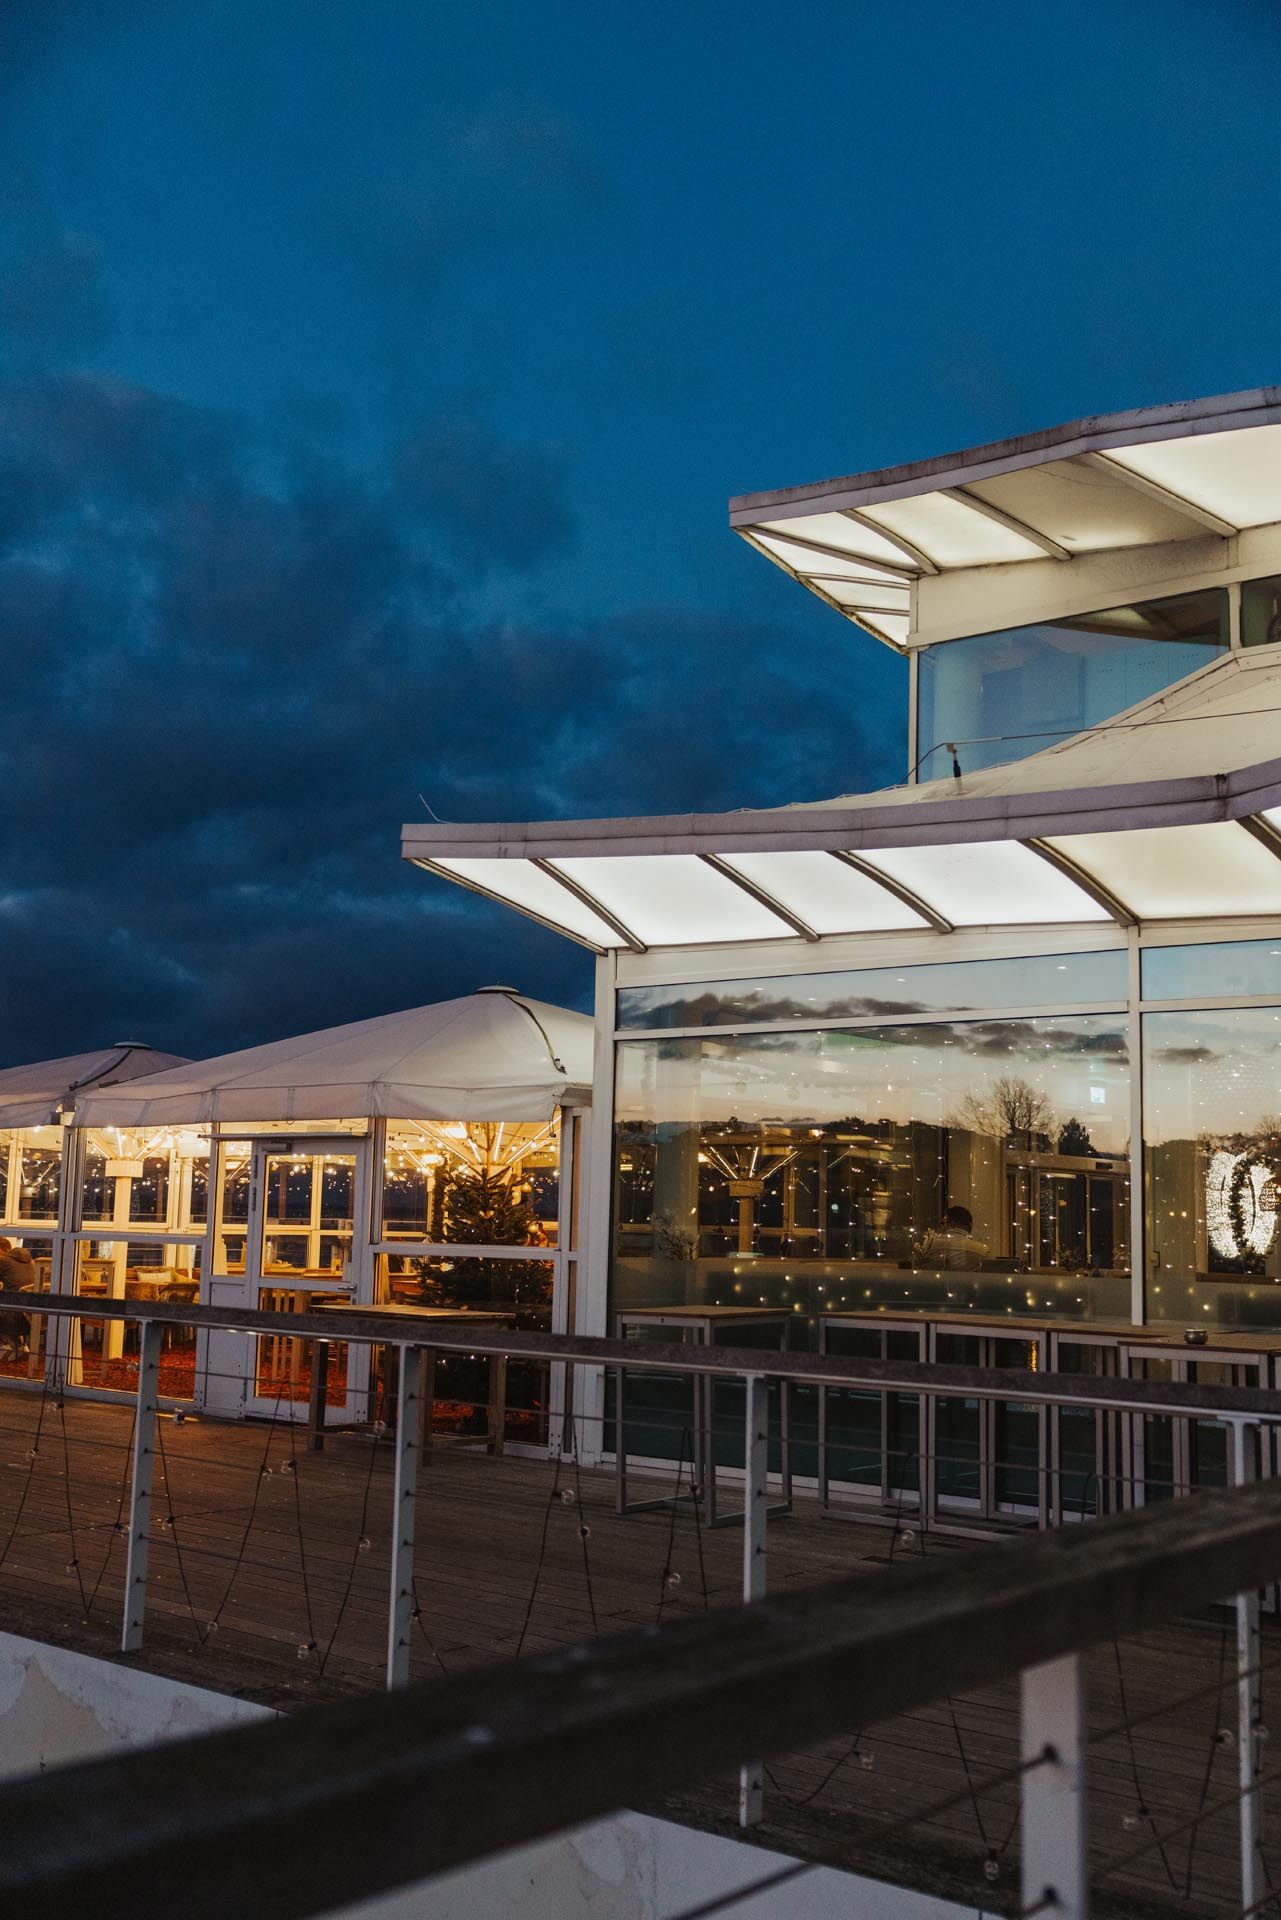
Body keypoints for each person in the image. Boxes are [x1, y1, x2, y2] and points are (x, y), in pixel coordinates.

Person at [920, 1205, 990, 1271]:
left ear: (952, 1223)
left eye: (942, 1223)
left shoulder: (930, 1246)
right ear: (970, 1225)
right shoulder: (982, 1250)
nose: (941, 1227)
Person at [0, 1238, 36, 1356]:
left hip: (11, 1315)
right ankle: (19, 1344)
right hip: (30, 1314)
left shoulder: (4, 1261)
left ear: (2, 1250)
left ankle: (6, 1345)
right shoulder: (31, 1261)